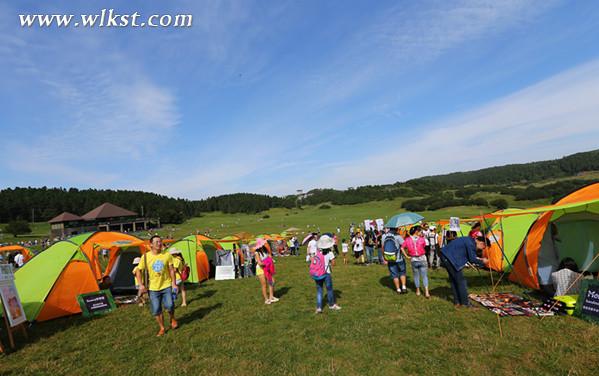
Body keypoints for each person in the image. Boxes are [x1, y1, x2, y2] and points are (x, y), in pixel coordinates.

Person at [135, 235, 178, 337]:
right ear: (151, 245)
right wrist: (141, 285)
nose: (159, 244)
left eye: (160, 241)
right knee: (156, 309)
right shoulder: (145, 257)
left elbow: (172, 270)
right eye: (157, 242)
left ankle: (172, 318)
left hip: (166, 285)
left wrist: (174, 283)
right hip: (153, 288)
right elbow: (138, 270)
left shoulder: (167, 255)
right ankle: (162, 328)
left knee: (170, 305)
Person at [440, 236, 489, 308]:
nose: (481, 249)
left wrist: (478, 259)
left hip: (446, 255)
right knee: (461, 282)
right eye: (483, 248)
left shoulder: (469, 240)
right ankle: (465, 303)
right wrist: (483, 262)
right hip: (450, 258)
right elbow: (472, 259)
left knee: (454, 280)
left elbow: (468, 254)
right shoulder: (471, 243)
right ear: (482, 244)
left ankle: (457, 302)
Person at [310, 235, 341, 313]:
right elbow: (334, 264)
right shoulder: (330, 253)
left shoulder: (317, 252)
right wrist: (330, 262)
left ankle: (319, 307)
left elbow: (312, 260)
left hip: (318, 273)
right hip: (326, 273)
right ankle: (331, 305)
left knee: (319, 290)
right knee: (329, 289)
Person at [402, 226, 430, 298]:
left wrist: (406, 256)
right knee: (424, 276)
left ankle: (418, 291)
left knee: (416, 276)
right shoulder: (422, 239)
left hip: (413, 259)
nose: (421, 232)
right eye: (420, 231)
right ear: (416, 232)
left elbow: (402, 248)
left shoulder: (407, 239)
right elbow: (424, 246)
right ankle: (426, 292)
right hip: (422, 259)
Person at [382, 228, 408, 294]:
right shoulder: (398, 236)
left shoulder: (384, 236)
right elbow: (404, 246)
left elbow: (383, 247)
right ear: (396, 229)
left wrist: (384, 258)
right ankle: (404, 287)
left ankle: (398, 289)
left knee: (394, 275)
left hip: (390, 258)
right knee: (402, 272)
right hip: (399, 258)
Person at [254, 238, 279, 305]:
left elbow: (269, 256)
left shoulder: (265, 250)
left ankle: (271, 297)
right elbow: (259, 263)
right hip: (260, 269)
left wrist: (271, 260)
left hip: (267, 268)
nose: (264, 244)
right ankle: (266, 299)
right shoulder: (257, 252)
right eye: (262, 243)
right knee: (264, 284)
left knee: (271, 282)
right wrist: (267, 263)